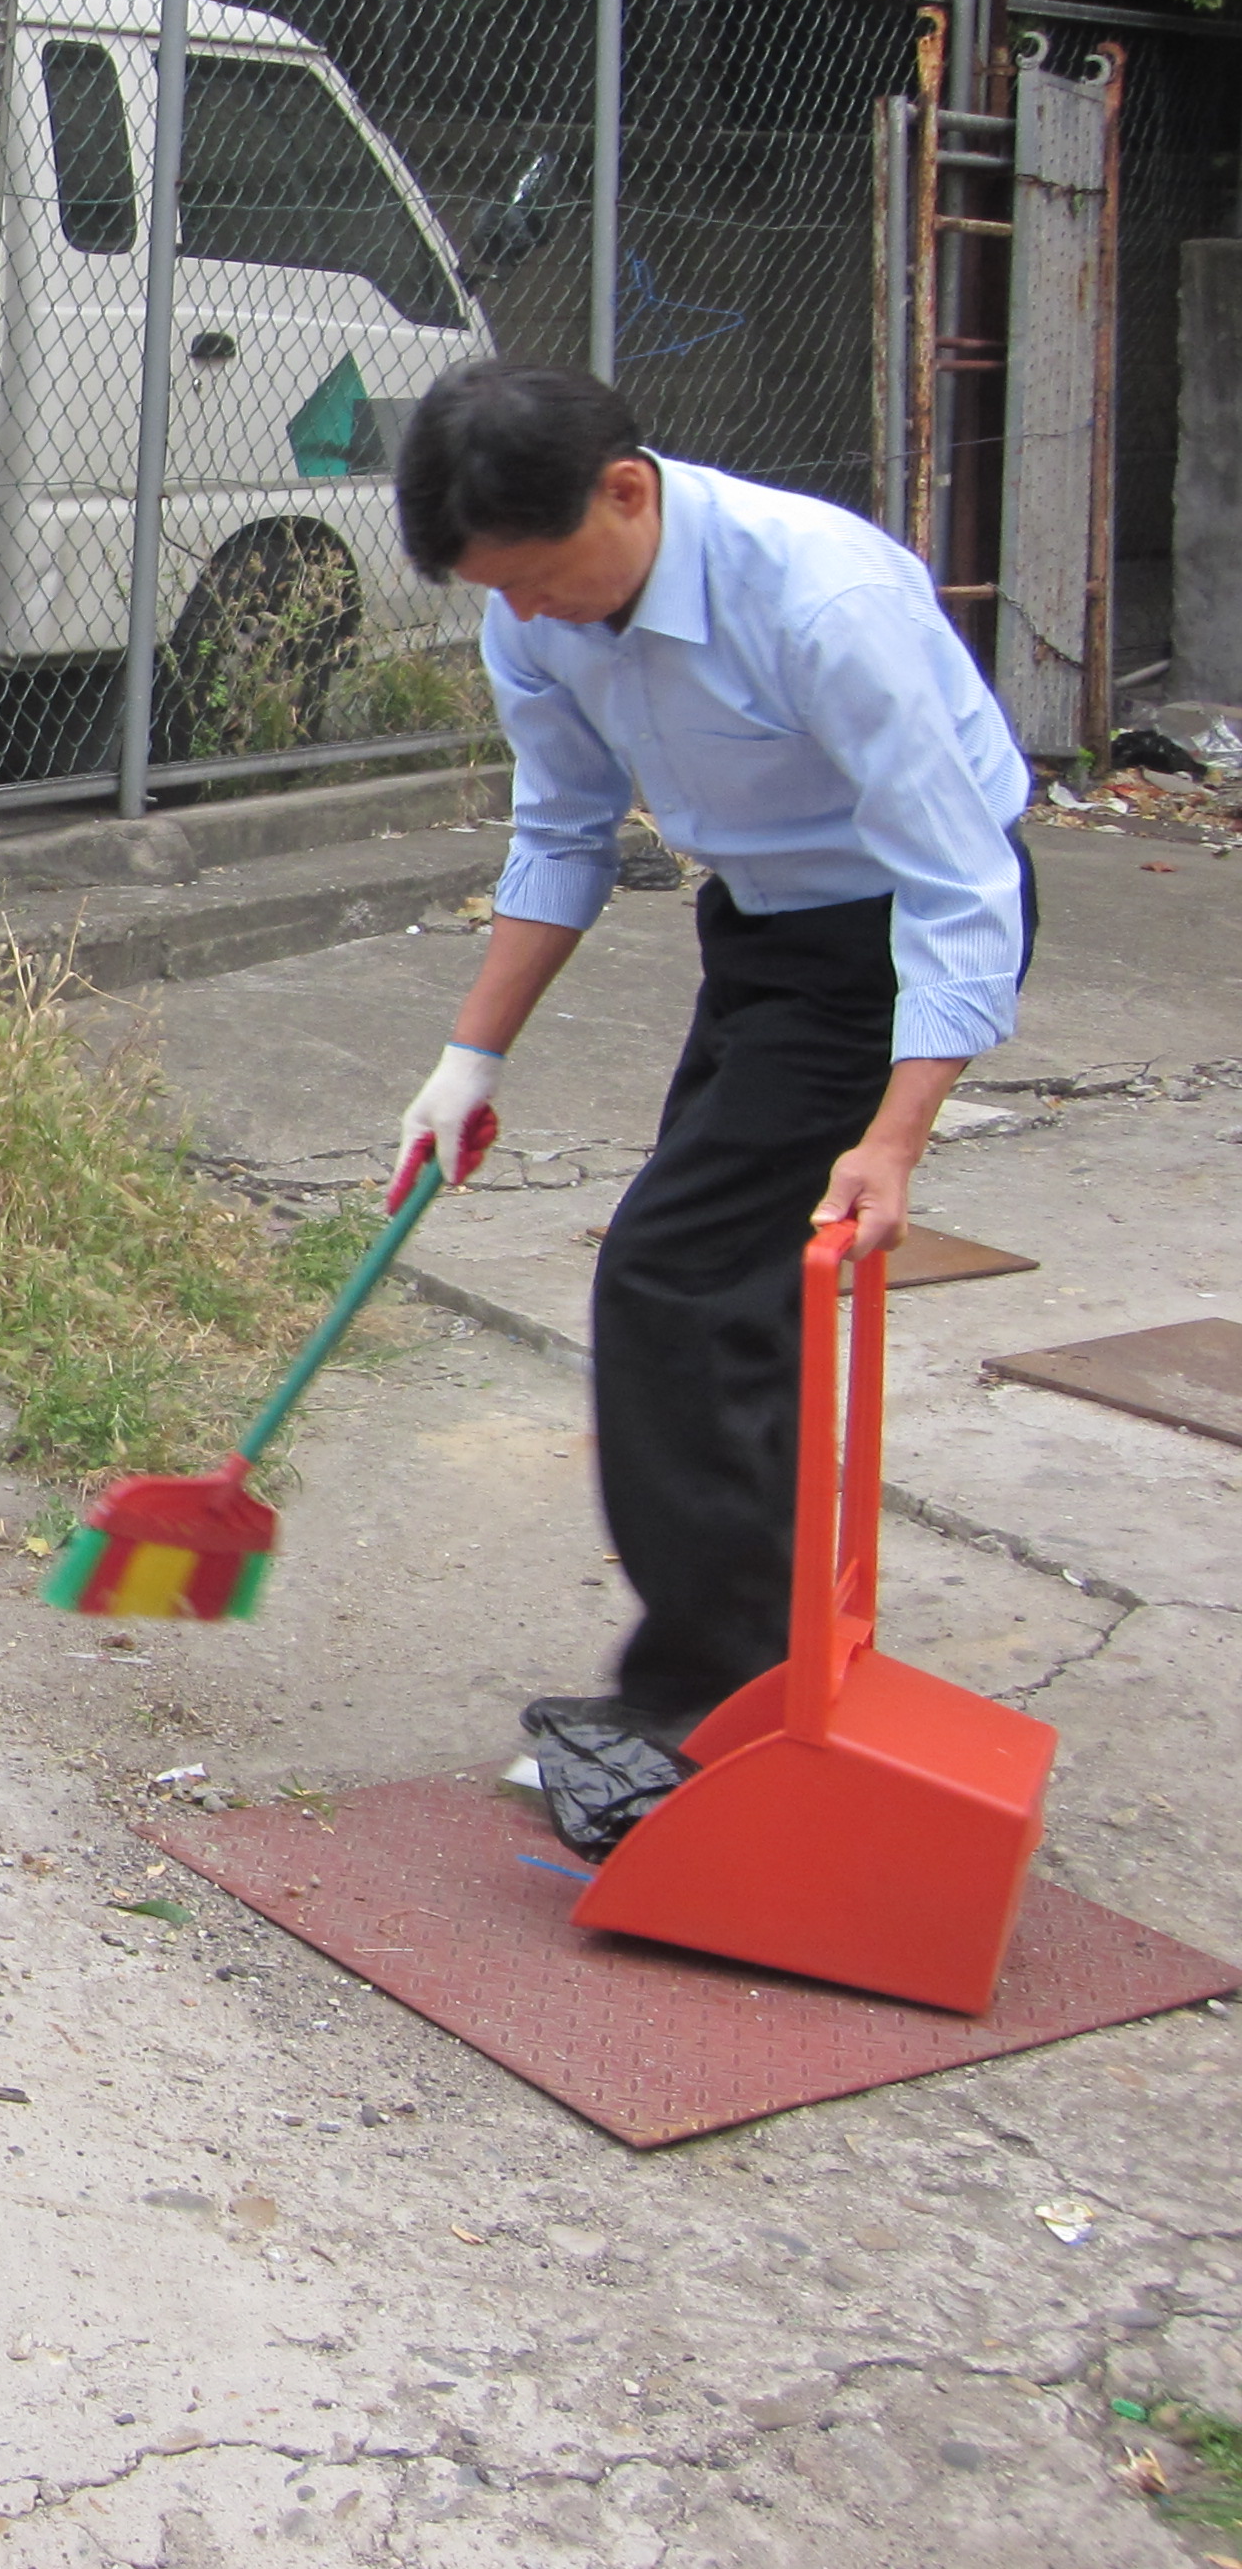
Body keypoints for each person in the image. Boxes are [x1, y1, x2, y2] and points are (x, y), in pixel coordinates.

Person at [386, 360, 1032, 1762]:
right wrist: (468, 1061)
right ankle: (770, 1665)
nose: (524, 616)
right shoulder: (536, 613)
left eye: (540, 579)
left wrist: (898, 1137)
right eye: (493, 590)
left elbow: (961, 882)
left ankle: (706, 1698)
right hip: (759, 922)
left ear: (627, 491)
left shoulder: (820, 598)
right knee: (733, 1298)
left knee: (673, 1275)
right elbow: (561, 834)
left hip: (886, 934)